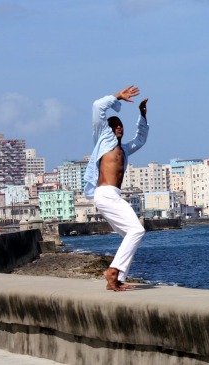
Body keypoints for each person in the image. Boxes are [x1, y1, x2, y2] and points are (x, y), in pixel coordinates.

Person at [83, 85, 149, 291]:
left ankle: (116, 279)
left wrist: (142, 116)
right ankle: (113, 271)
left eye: (120, 125)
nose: (119, 127)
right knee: (137, 230)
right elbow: (97, 107)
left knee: (130, 234)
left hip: (113, 195)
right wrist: (118, 97)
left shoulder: (124, 150)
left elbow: (141, 139)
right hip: (105, 194)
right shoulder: (103, 141)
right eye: (114, 125)